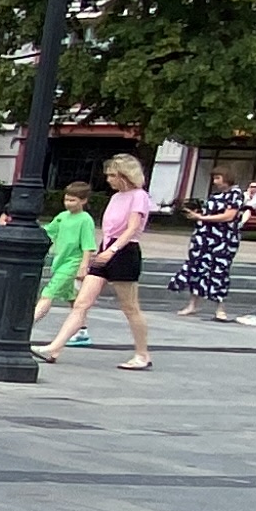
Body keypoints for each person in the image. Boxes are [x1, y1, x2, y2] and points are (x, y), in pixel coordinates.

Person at [42, 151, 154, 369]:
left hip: (124, 251)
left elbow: (132, 228)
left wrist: (111, 251)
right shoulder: (115, 197)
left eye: (113, 175)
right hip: (107, 248)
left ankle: (142, 353)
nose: (109, 179)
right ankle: (55, 347)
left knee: (130, 306)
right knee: (82, 302)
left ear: (124, 175)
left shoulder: (139, 196)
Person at [170, 169, 252, 321]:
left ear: (227, 178)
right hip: (205, 237)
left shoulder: (235, 195)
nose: (215, 181)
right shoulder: (215, 196)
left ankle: (220, 308)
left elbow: (229, 216)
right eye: (214, 178)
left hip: (223, 239)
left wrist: (202, 217)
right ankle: (192, 304)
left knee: (219, 270)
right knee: (198, 267)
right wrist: (197, 215)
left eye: (218, 178)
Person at [31, 181, 98, 332]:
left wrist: (83, 266)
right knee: (73, 297)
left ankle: (29, 324)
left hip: (73, 262)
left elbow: (88, 245)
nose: (68, 203)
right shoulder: (62, 217)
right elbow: (48, 231)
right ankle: (82, 329)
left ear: (83, 201)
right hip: (60, 261)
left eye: (72, 200)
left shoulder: (85, 219)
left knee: (48, 292)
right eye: (66, 199)